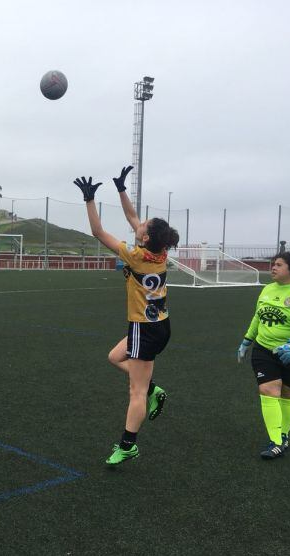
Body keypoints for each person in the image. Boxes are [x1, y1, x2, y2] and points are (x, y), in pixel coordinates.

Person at [74, 166, 180, 465]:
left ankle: (128, 444)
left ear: (145, 239)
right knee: (114, 358)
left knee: (136, 392)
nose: (138, 223)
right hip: (160, 325)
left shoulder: (135, 256)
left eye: (143, 226)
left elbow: (97, 232)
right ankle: (154, 388)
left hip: (144, 329)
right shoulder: (159, 252)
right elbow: (133, 219)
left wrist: (89, 200)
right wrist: (121, 189)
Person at [237, 251, 290, 459]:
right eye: (273, 264)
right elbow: (258, 316)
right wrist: (247, 340)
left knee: (289, 395)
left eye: (279, 265)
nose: (273, 267)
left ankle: (284, 434)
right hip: (264, 350)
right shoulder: (267, 289)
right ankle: (276, 441)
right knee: (268, 390)